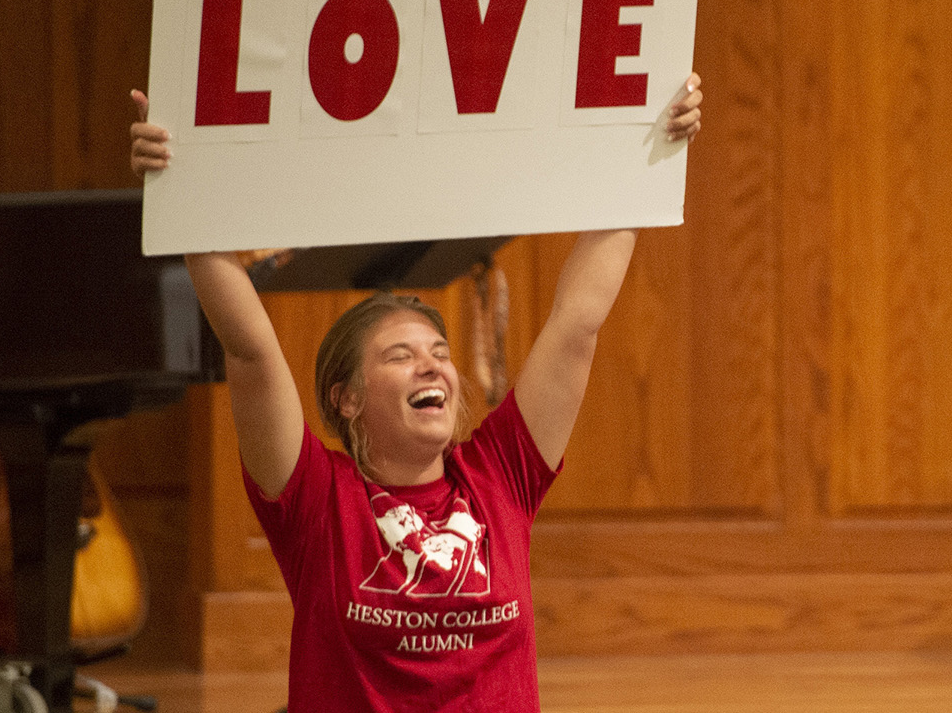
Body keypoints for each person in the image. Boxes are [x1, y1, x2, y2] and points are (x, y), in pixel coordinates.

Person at [129, 74, 702, 712]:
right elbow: (251, 350)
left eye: (439, 354)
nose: (431, 368)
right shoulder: (316, 500)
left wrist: (643, 158)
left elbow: (577, 327)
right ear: (345, 398)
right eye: (400, 356)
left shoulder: (500, 475)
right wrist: (180, 189)